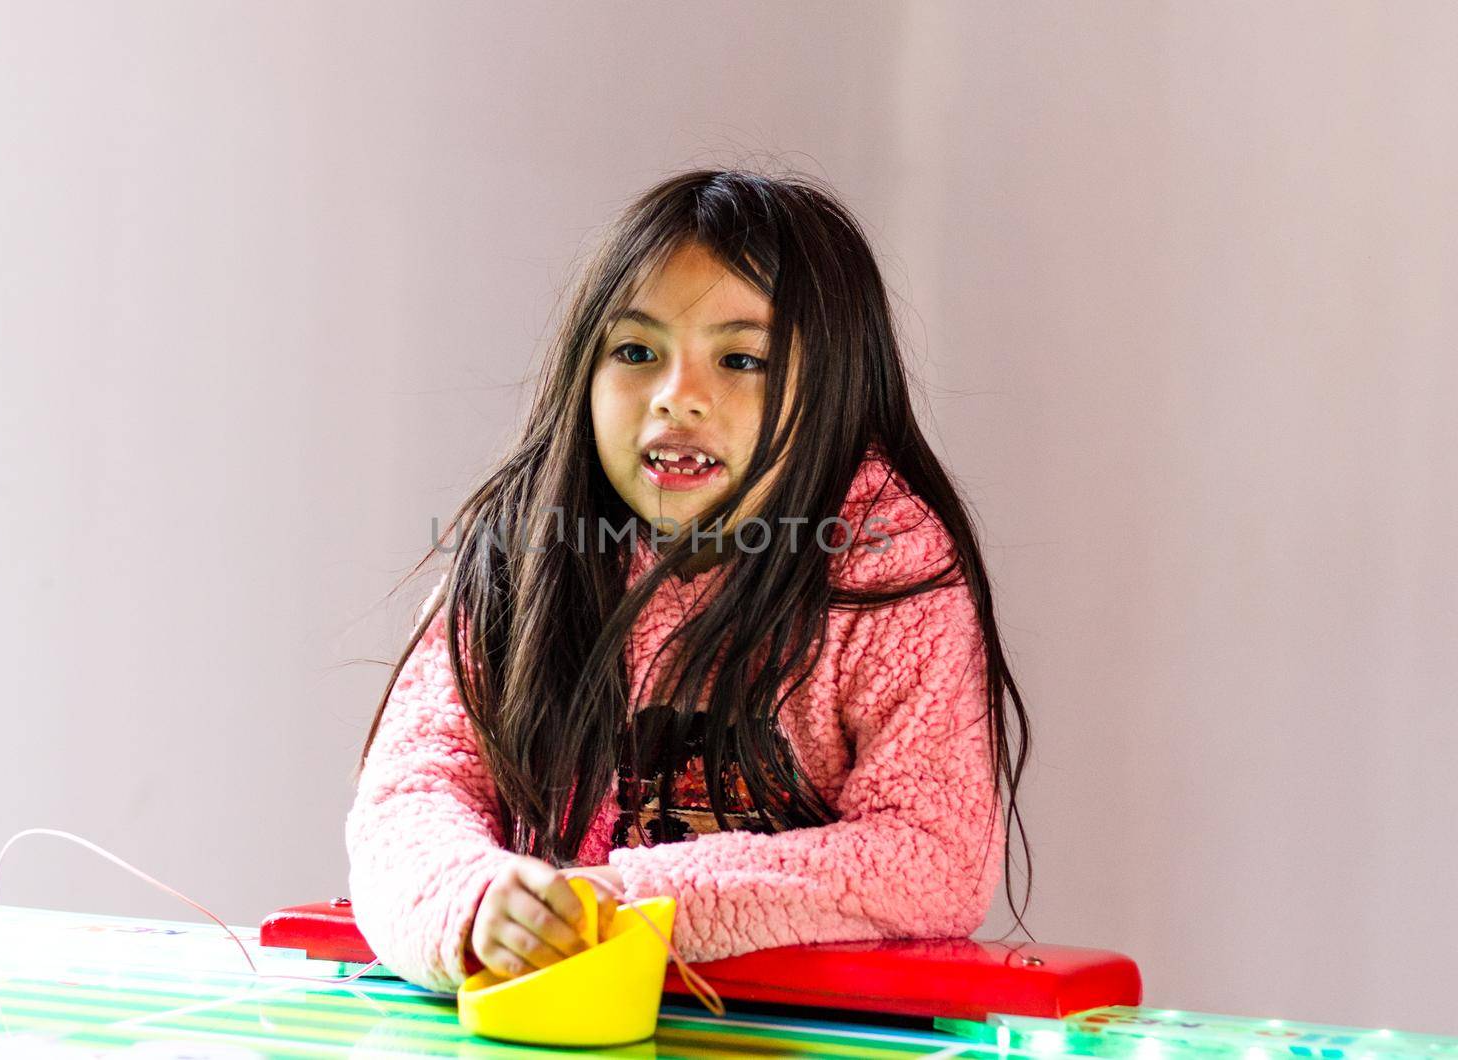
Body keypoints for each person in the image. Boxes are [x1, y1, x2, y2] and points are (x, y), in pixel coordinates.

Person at [344, 168, 1032, 994]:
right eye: (637, 351)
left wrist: (631, 901)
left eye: (741, 359)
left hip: (808, 1037)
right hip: (564, 1027)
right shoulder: (524, 551)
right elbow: (412, 790)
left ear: (837, 396)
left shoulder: (888, 567)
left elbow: (932, 852)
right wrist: (472, 901)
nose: (678, 397)